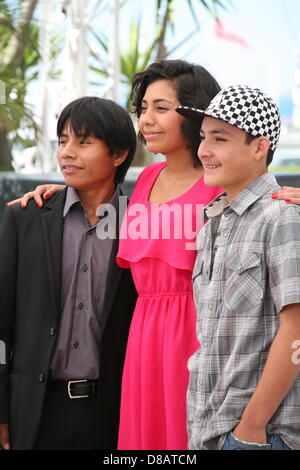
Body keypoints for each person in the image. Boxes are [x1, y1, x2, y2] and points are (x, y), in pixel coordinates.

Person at [7, 59, 223, 450]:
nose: (148, 120)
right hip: (135, 353)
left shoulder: (217, 184)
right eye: (143, 109)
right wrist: (55, 197)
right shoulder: (144, 184)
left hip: (190, 346)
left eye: (161, 108)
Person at [0, 96, 137, 450]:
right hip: (35, 410)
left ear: (119, 154)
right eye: (63, 141)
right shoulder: (25, 218)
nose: (67, 152)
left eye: (83, 142)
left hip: (114, 412)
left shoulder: (140, 225)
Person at [176, 84, 300, 450]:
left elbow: (296, 328)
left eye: (220, 138)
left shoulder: (282, 217)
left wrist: (250, 428)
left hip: (259, 436)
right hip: (208, 430)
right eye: (202, 137)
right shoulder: (214, 221)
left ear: (259, 147)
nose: (204, 151)